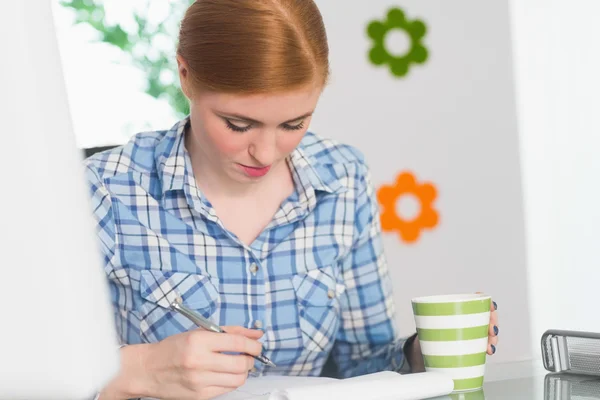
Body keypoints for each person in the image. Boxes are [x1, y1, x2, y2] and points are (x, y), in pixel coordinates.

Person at [84, 1, 499, 399]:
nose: (266, 152)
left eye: (293, 124)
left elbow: (364, 367)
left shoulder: (343, 179)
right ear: (185, 75)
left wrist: (420, 355)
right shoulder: (106, 190)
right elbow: (30, 371)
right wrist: (138, 369)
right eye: (239, 124)